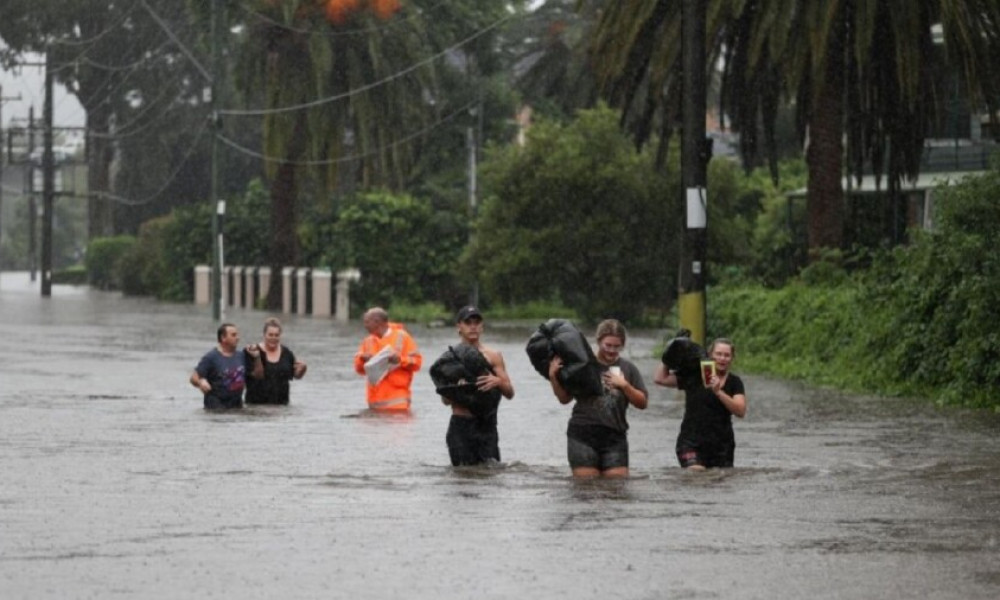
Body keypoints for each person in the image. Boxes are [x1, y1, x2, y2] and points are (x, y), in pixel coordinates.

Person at [548, 319, 648, 478]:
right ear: (598, 341)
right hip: (582, 434)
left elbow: (642, 403)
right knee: (587, 489)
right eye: (608, 345)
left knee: (617, 488)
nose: (612, 350)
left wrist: (624, 386)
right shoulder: (583, 365)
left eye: (617, 346)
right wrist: (553, 377)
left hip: (615, 436)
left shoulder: (628, 368)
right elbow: (564, 399)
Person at [438, 306, 515, 466]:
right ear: (459, 326)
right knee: (463, 480)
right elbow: (445, 401)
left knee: (491, 478)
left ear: (482, 326)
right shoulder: (451, 358)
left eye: (477, 322)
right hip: (461, 425)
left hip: (487, 426)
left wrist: (498, 382)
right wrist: (456, 390)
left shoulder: (493, 356)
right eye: (468, 322)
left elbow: (510, 393)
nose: (473, 326)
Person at [654, 337, 747, 469]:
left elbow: (740, 411)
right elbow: (660, 379)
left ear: (732, 358)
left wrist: (719, 392)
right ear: (710, 355)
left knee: (720, 483)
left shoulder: (734, 382)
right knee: (696, 474)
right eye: (719, 354)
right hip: (690, 443)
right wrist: (668, 356)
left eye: (727, 355)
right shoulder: (694, 375)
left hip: (721, 445)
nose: (722, 358)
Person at [353, 307, 422, 412]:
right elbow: (359, 370)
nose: (365, 325)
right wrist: (362, 359)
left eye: (367, 322)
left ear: (377, 322)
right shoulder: (367, 341)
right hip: (374, 403)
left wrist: (399, 360)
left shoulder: (403, 337)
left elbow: (417, 363)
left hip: (398, 404)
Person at [190, 323, 264, 410]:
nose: (237, 338)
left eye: (237, 335)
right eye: (233, 335)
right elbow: (193, 378)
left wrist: (257, 357)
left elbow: (258, 376)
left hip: (237, 407)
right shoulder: (211, 357)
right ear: (223, 338)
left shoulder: (242, 356)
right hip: (215, 409)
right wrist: (200, 382)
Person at [245, 317, 307, 405]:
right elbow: (256, 375)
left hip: (281, 406)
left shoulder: (287, 353)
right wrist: (257, 357)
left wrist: (303, 369)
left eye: (276, 335)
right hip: (256, 406)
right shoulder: (251, 351)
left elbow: (296, 376)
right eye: (270, 335)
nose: (273, 338)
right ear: (264, 335)